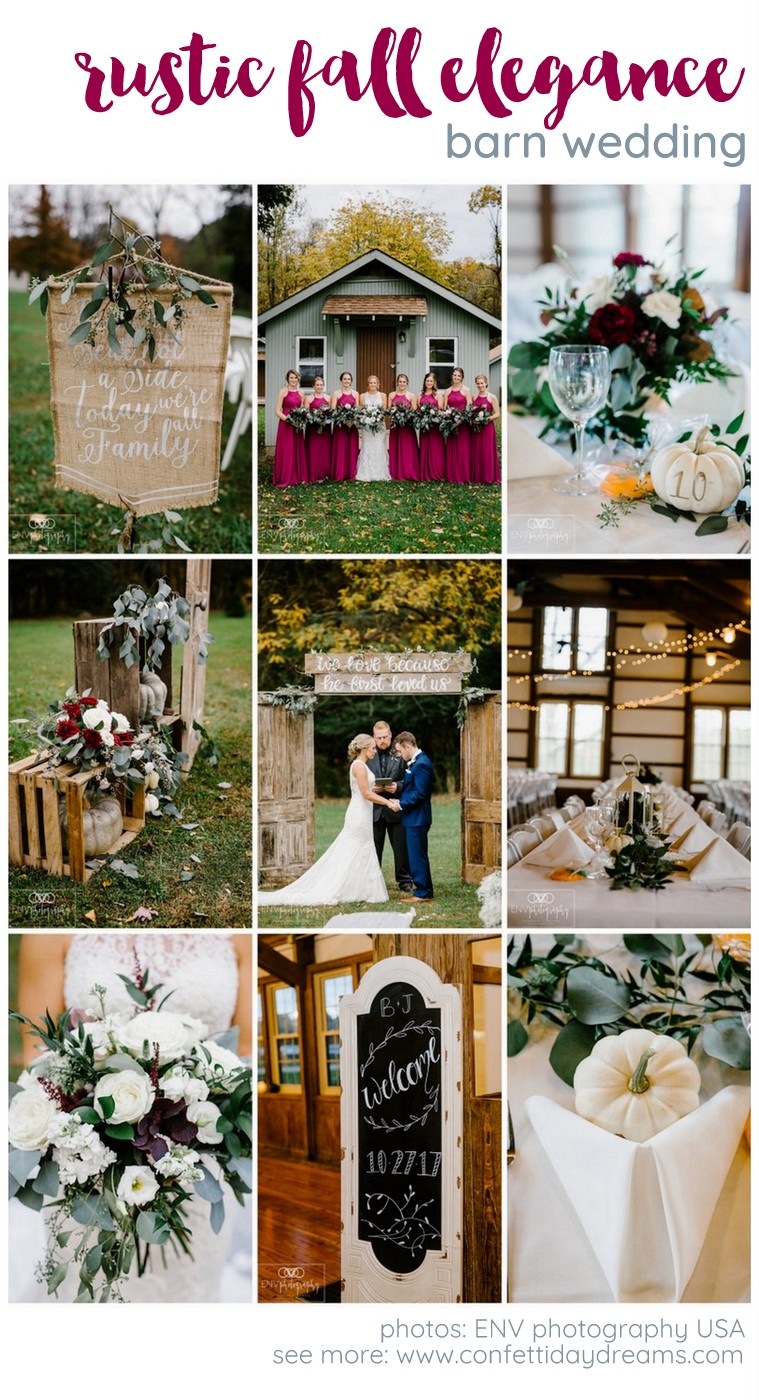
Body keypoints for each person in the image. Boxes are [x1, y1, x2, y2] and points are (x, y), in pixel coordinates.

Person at [13, 932, 252, 1304]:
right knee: (88, 1290)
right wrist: (92, 1126)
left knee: (190, 1291)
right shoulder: (50, 934)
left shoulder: (239, 938)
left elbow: (246, 1052)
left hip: (198, 1164)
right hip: (85, 1167)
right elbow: (36, 1050)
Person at [258, 735, 398, 905]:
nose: (375, 751)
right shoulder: (360, 767)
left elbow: (366, 789)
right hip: (359, 814)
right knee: (355, 848)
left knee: (362, 848)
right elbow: (366, 794)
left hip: (363, 812)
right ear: (363, 748)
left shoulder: (360, 765)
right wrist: (388, 802)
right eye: (373, 748)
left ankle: (361, 888)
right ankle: (343, 886)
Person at [365, 720, 413, 893]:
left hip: (395, 806)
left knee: (401, 847)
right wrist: (371, 787)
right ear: (374, 737)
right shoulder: (368, 753)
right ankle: (373, 881)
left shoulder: (400, 751)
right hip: (374, 808)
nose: (382, 740)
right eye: (379, 738)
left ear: (391, 735)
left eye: (385, 737)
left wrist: (398, 786)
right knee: (374, 847)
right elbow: (361, 779)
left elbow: (410, 777)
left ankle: (404, 880)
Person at [395, 730, 435, 902]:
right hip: (414, 817)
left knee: (417, 855)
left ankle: (423, 892)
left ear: (408, 746)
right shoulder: (416, 762)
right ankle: (424, 889)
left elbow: (420, 794)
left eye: (400, 750)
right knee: (417, 854)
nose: (400, 754)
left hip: (418, 817)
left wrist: (400, 804)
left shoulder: (422, 764)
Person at [273, 370, 307, 487]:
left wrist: (300, 420)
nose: (293, 380)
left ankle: (298, 475)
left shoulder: (301, 392)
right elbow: (277, 411)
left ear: (298, 379)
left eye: (295, 378)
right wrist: (289, 420)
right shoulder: (283, 391)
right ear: (287, 379)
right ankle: (286, 476)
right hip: (286, 424)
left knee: (297, 449)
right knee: (287, 450)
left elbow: (302, 409)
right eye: (291, 378)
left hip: (297, 425)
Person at [356, 374, 390, 482]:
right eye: (371, 382)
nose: (373, 384)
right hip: (367, 427)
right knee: (367, 446)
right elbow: (361, 411)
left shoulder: (383, 395)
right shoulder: (362, 396)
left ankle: (380, 472)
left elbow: (384, 411)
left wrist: (377, 418)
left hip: (379, 425)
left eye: (375, 382)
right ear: (368, 384)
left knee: (379, 446)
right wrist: (368, 418)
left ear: (378, 384)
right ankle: (366, 472)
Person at [388, 373, 420, 480]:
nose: (402, 383)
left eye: (404, 382)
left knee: (408, 449)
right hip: (396, 426)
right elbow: (389, 410)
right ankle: (396, 472)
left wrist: (407, 415)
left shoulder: (411, 396)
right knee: (396, 448)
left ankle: (408, 471)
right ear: (397, 382)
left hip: (407, 427)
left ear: (407, 383)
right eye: (400, 381)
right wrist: (395, 414)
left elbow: (415, 411)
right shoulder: (392, 395)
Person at [443, 366, 472, 484]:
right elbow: (445, 408)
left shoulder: (466, 390)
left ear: (462, 377)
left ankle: (463, 476)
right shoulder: (447, 391)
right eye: (455, 375)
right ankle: (451, 475)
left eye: (459, 375)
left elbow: (469, 408)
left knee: (463, 449)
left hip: (463, 424)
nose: (456, 377)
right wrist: (448, 419)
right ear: (452, 376)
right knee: (451, 448)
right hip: (451, 424)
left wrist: (460, 421)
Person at [471, 374, 501, 484]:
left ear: (486, 383)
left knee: (487, 451)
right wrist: (474, 419)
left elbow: (497, 414)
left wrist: (484, 419)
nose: (480, 385)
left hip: (487, 428)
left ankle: (488, 477)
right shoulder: (474, 397)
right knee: (477, 451)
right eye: (478, 383)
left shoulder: (492, 397)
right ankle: (478, 476)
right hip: (476, 429)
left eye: (482, 383)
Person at [330, 371, 359, 481]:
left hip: (352, 426)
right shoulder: (336, 393)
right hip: (340, 426)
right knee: (340, 449)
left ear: (351, 381)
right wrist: (342, 419)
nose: (346, 381)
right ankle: (339, 473)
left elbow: (357, 409)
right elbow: (333, 411)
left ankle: (351, 473)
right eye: (344, 379)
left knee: (352, 449)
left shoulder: (355, 393)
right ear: (341, 380)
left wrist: (352, 420)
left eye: (348, 379)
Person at [418, 372, 445, 481]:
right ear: (425, 382)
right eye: (427, 381)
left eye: (431, 381)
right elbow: (418, 409)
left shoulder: (438, 395)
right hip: (424, 426)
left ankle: (437, 472)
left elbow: (441, 410)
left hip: (435, 426)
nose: (429, 383)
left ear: (434, 383)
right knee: (425, 446)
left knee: (436, 448)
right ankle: (425, 472)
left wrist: (433, 414)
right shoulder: (420, 394)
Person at [305, 374, 332, 483]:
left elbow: (331, 413)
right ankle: (313, 473)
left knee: (325, 450)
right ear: (313, 386)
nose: (319, 387)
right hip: (312, 429)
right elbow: (306, 414)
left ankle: (324, 473)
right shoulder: (308, 398)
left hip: (325, 428)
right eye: (317, 385)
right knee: (313, 450)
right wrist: (314, 419)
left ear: (324, 386)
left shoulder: (328, 398)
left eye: (321, 385)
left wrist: (325, 420)